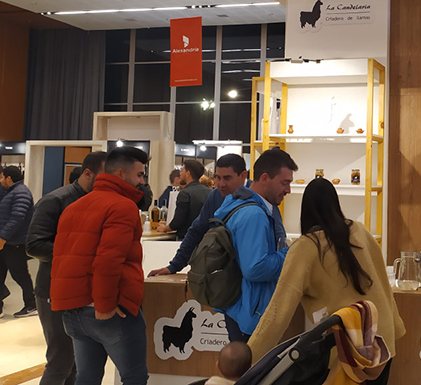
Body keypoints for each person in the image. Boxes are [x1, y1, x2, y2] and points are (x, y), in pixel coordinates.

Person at [248, 178, 406, 385]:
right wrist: (395, 327)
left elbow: (278, 312)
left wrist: (249, 358)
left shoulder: (305, 247)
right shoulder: (360, 231)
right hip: (381, 341)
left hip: (347, 350)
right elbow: (382, 283)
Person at [50, 147, 149, 385]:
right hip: (108, 308)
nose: (142, 182)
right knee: (134, 377)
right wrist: (105, 305)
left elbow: (62, 256)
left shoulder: (74, 206)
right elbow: (109, 260)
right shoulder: (123, 206)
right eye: (139, 175)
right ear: (120, 173)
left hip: (74, 309)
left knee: (86, 377)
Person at [26, 151, 107, 385]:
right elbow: (34, 245)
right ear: (88, 173)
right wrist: (80, 253)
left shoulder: (101, 202)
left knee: (78, 362)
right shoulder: (56, 200)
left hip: (84, 292)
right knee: (60, 361)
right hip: (54, 290)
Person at [215, 148, 295, 342]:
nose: (288, 190)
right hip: (250, 312)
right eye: (284, 183)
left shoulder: (246, 205)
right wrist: (290, 254)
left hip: (243, 307)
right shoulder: (254, 214)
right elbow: (255, 268)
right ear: (265, 178)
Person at [148, 154, 250, 277]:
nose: (221, 184)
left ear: (243, 175)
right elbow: (196, 231)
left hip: (249, 273)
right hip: (222, 274)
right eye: (217, 178)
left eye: (227, 178)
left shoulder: (255, 197)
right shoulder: (215, 196)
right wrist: (174, 266)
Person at [0, 165, 36, 318]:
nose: (1, 180)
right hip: (7, 242)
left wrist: (3, 237)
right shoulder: (10, 192)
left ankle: (31, 305)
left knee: (20, 275)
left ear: (9, 178)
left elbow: (17, 218)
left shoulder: (21, 193)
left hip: (15, 243)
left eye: (2, 177)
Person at [157, 160, 210, 239]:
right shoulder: (209, 192)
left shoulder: (185, 193)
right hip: (205, 238)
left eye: (182, 170)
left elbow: (177, 221)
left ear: (188, 173)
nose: (180, 174)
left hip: (187, 238)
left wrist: (165, 228)